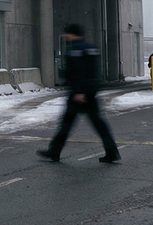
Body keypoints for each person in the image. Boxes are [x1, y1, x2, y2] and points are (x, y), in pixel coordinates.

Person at [38, 24, 121, 163]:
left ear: (71, 34)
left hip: (79, 94)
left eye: (66, 33)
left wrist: (79, 91)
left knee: (66, 124)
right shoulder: (91, 48)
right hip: (91, 92)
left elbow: (78, 72)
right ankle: (112, 152)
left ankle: (54, 151)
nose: (64, 36)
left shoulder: (75, 50)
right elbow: (93, 71)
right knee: (99, 125)